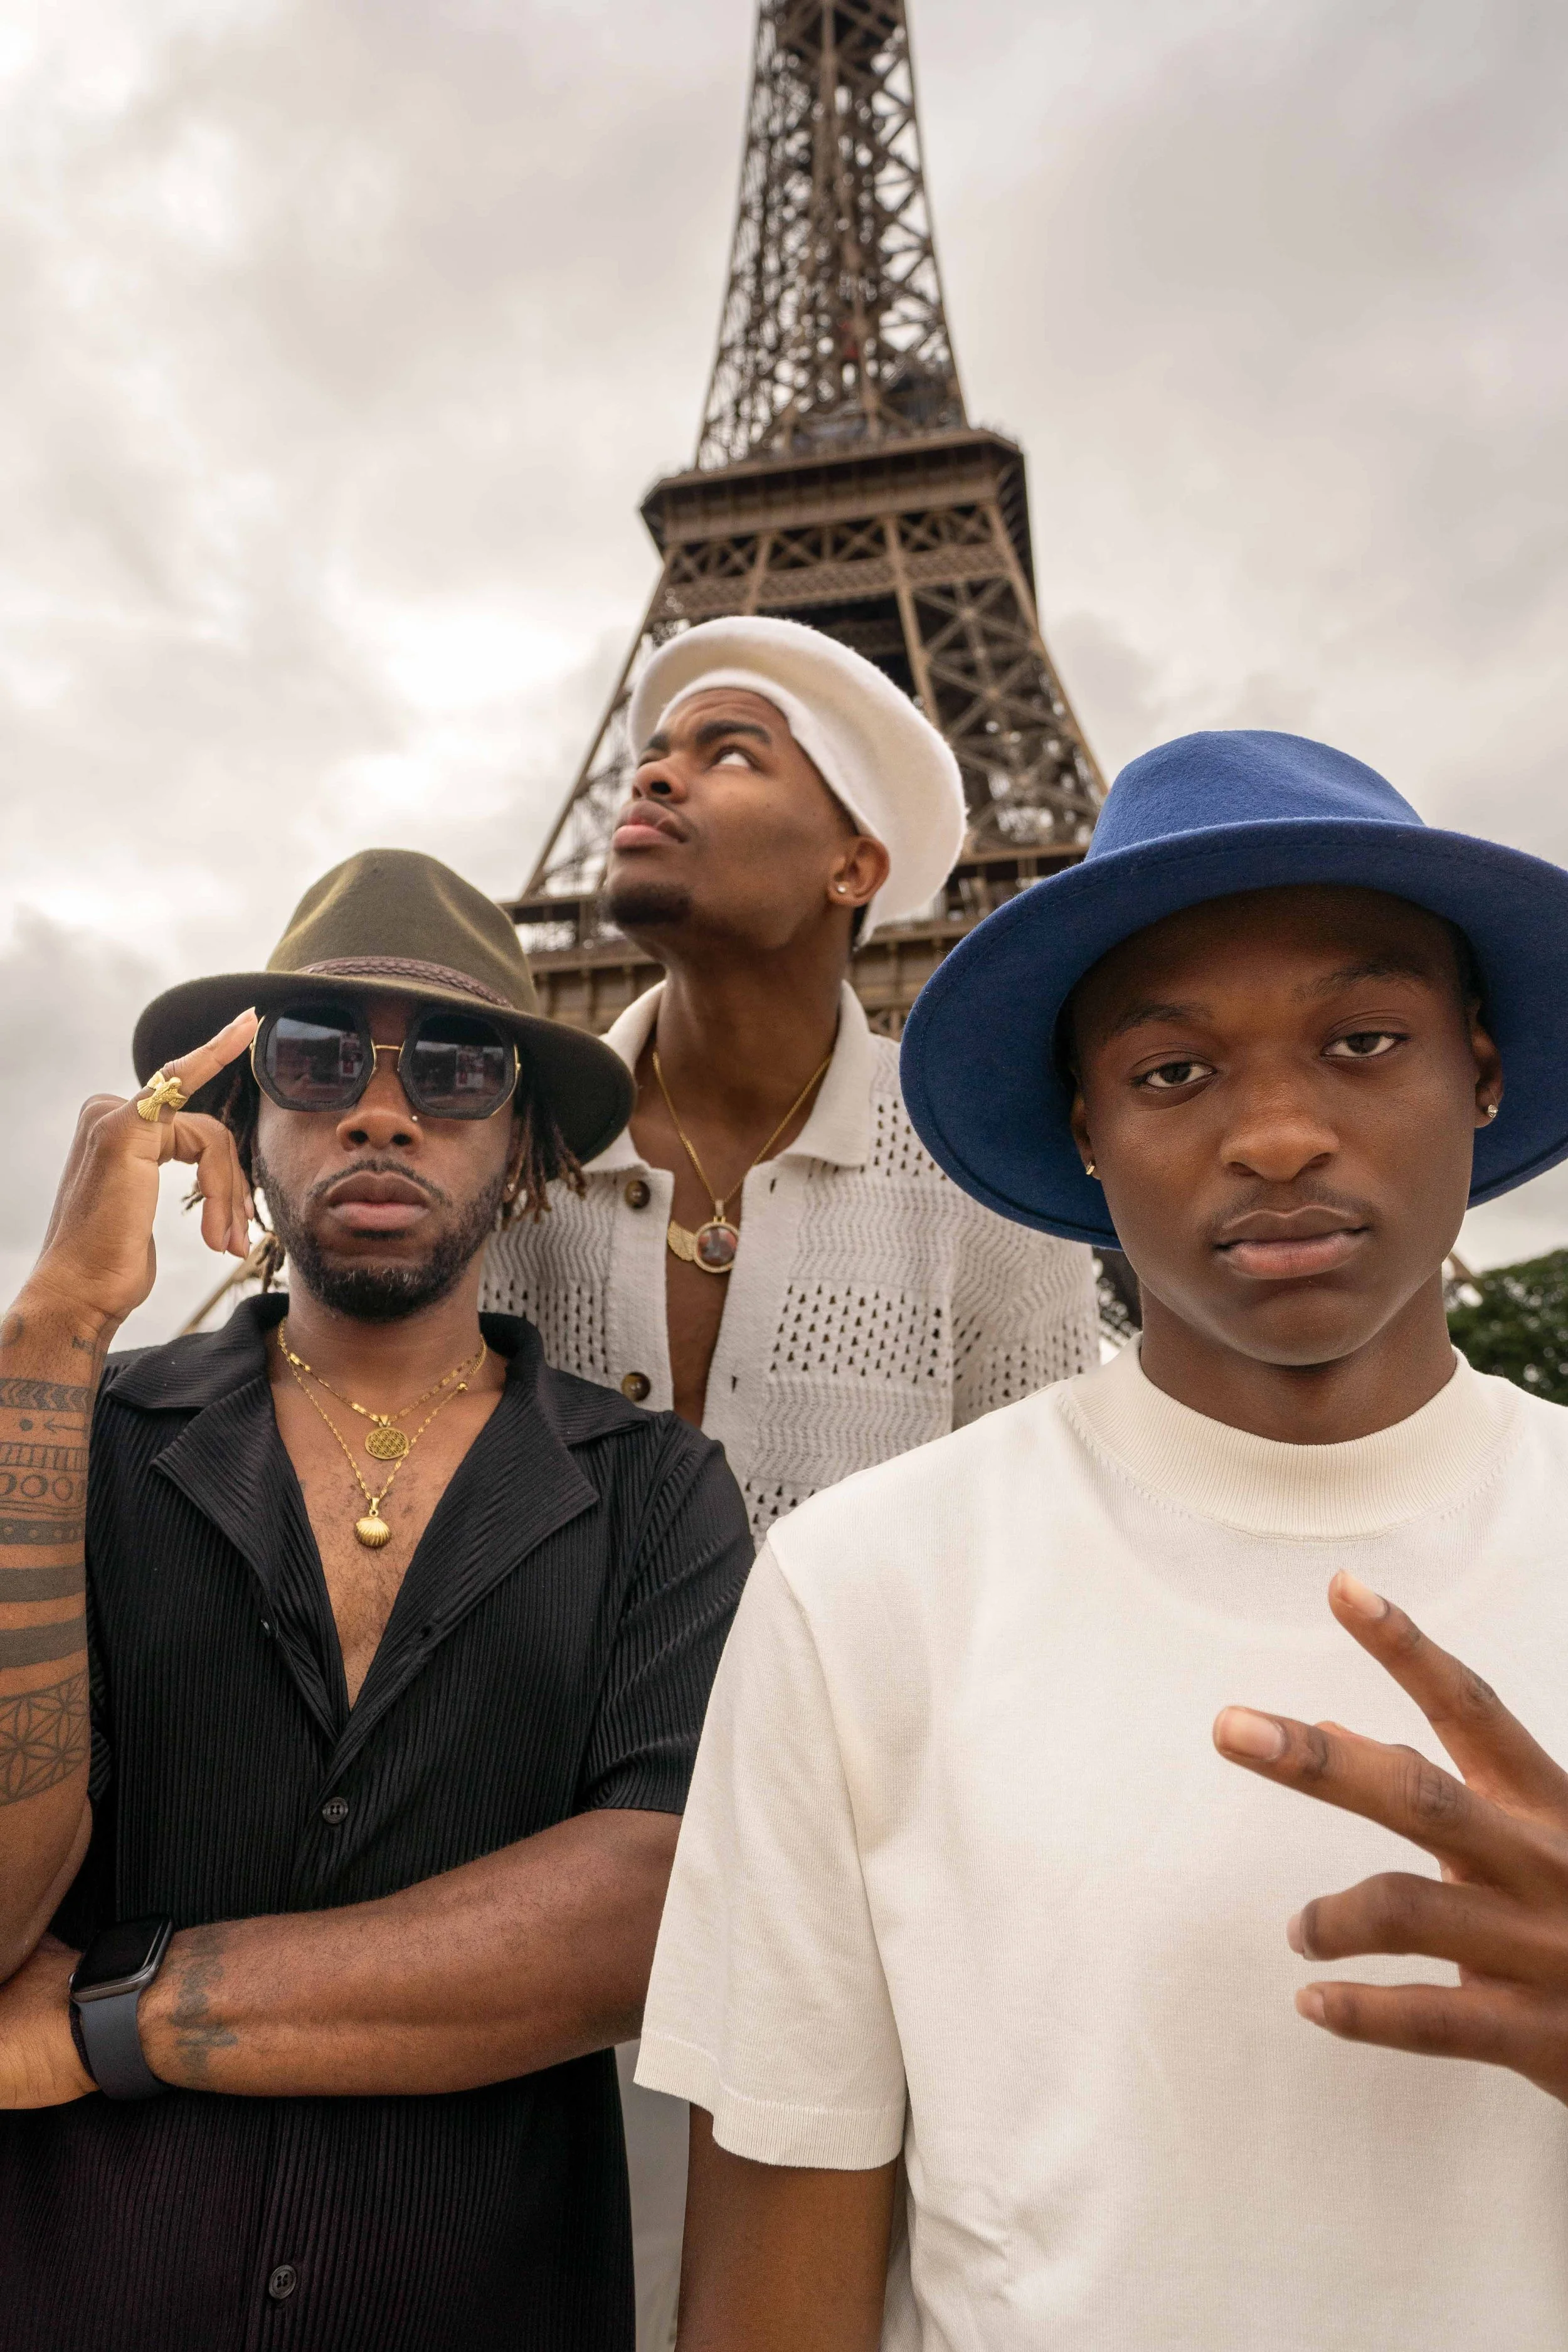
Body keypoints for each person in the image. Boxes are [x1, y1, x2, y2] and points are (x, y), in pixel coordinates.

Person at [637, 729, 1568, 2349]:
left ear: (1477, 1069)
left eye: (1361, 1038)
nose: (1274, 1131)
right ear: (1081, 1124)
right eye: (1171, 1071)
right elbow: (773, 2294)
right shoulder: (859, 1589)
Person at [0, 847, 753, 2352]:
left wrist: (118, 2018)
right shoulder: (66, 1434)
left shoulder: (660, 1494)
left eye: (460, 1069)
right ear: (237, 1124)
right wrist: (55, 1325)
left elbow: (648, 1910)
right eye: (313, 1056)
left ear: (528, 1153)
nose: (382, 1106)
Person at [482, 616, 1099, 2345]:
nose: (656, 768)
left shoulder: (991, 1185)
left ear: (857, 863)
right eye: (650, 746)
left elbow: (1037, 1578)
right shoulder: (501, 1158)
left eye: (729, 749)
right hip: (520, 1921)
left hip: (864, 1940)